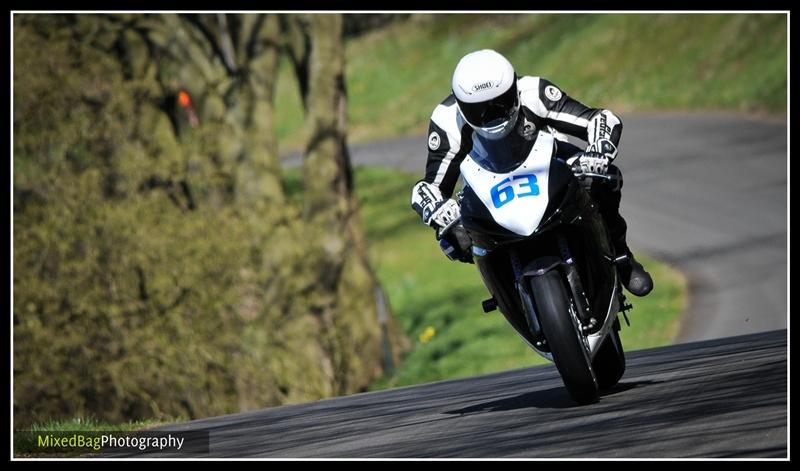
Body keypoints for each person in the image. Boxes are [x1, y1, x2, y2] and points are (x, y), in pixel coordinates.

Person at [410, 49, 653, 297]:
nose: (491, 116)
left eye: (500, 103)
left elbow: (598, 119)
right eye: (479, 111)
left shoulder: (534, 92)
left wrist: (599, 149)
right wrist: (437, 210)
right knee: (454, 238)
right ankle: (506, 292)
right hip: (488, 185)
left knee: (605, 178)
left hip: (549, 165)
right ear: (461, 106)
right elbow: (430, 187)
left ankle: (621, 257)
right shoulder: (447, 121)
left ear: (514, 90)